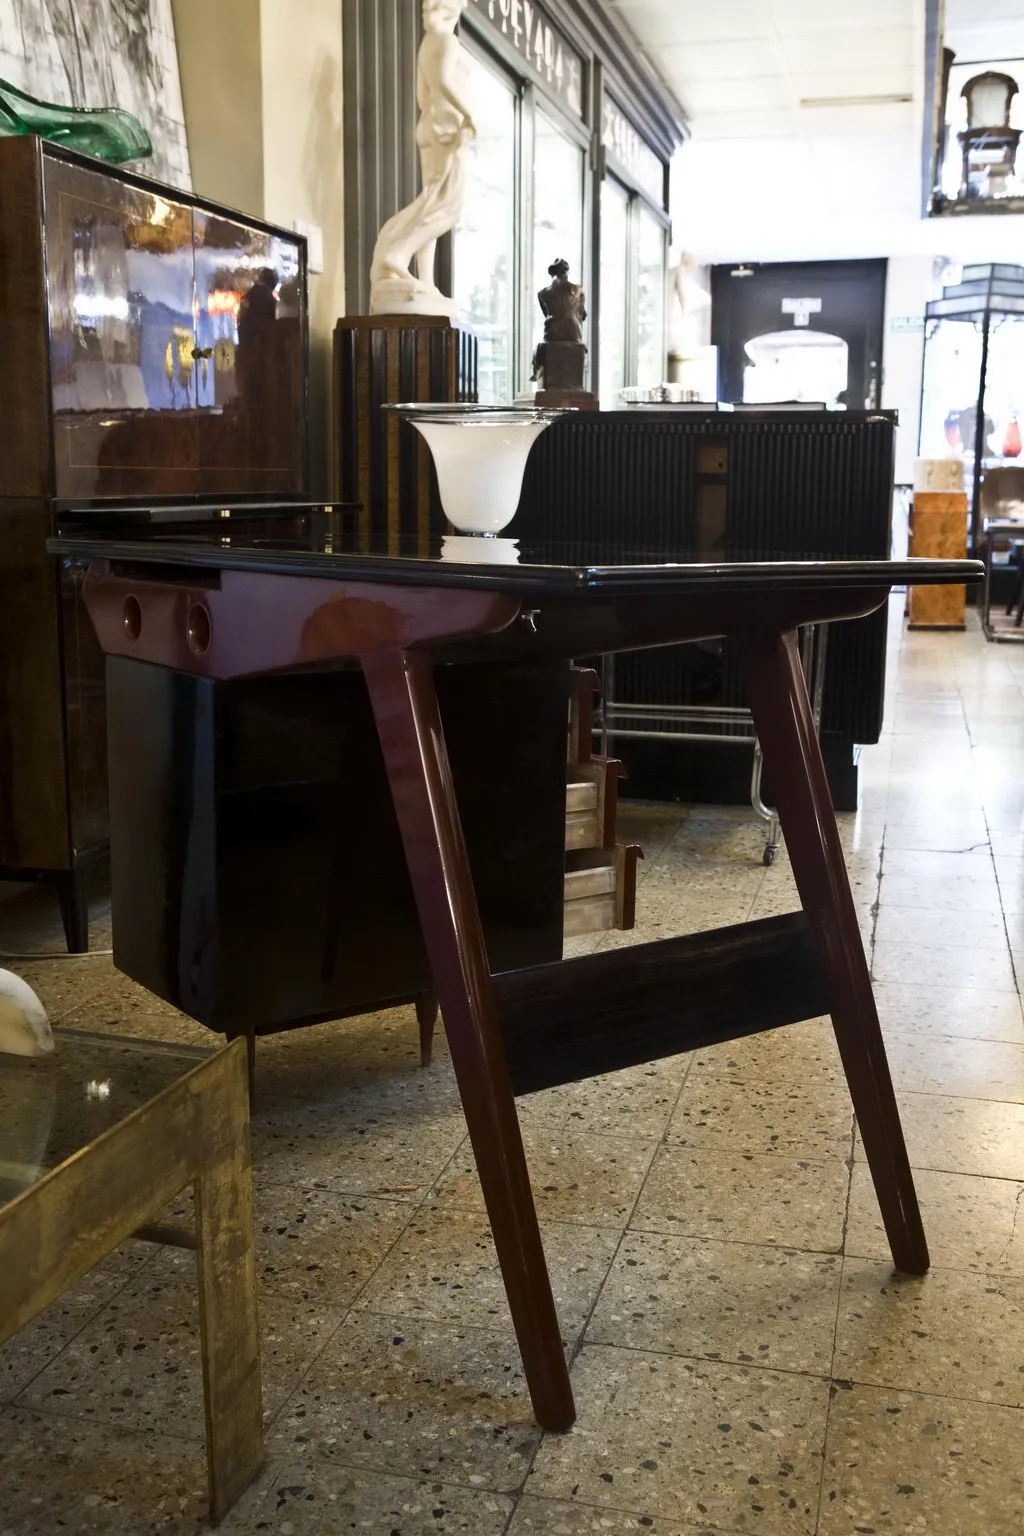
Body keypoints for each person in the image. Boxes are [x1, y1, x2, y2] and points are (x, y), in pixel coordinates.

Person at [369, 0, 476, 312]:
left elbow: (422, 94)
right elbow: (442, 82)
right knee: (446, 207)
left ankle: (425, 279)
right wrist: (469, 116)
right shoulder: (446, 40)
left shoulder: (428, 43)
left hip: (430, 126)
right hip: (448, 129)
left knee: (432, 200)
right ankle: (395, 253)